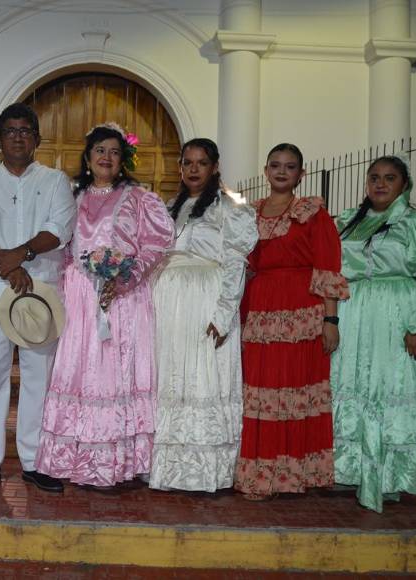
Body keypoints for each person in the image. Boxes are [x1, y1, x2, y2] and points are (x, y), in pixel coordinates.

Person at [34, 123, 174, 488]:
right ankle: (78, 457)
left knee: (117, 370)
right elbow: (62, 247)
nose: (106, 158)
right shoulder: (71, 198)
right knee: (81, 370)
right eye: (100, 151)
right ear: (88, 156)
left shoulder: (140, 198)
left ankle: (122, 461)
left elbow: (157, 243)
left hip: (123, 295)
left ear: (122, 159)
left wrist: (125, 276)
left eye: (114, 152)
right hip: (80, 296)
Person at [0, 103, 76, 493]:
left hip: (39, 291)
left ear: (37, 138)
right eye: (10, 130)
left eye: (25, 130)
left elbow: (58, 228)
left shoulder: (57, 181)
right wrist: (11, 266)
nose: (17, 136)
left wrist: (22, 256)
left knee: (38, 379)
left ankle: (35, 460)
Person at [332, 155, 416, 512]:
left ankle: (389, 478)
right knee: (354, 387)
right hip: (354, 315)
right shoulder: (347, 222)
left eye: (390, 178)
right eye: (374, 177)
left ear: (404, 184)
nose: (380, 184)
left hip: (397, 315)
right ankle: (353, 471)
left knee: (390, 389)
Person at [235, 143, 349, 501]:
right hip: (259, 308)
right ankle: (261, 474)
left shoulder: (313, 213)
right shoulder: (248, 214)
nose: (282, 172)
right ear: (265, 171)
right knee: (260, 389)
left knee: (298, 388)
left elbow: (327, 264)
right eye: (275, 165)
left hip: (302, 309)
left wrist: (330, 319)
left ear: (301, 174)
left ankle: (296, 475)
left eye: (290, 167)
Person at [149, 138, 257, 492]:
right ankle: (170, 470)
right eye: (188, 163)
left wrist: (225, 314)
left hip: (206, 298)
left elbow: (235, 263)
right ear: (180, 168)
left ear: (215, 167)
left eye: (202, 162)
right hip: (171, 302)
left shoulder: (231, 208)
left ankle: (207, 472)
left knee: (205, 377)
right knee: (173, 378)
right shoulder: (170, 208)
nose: (194, 169)